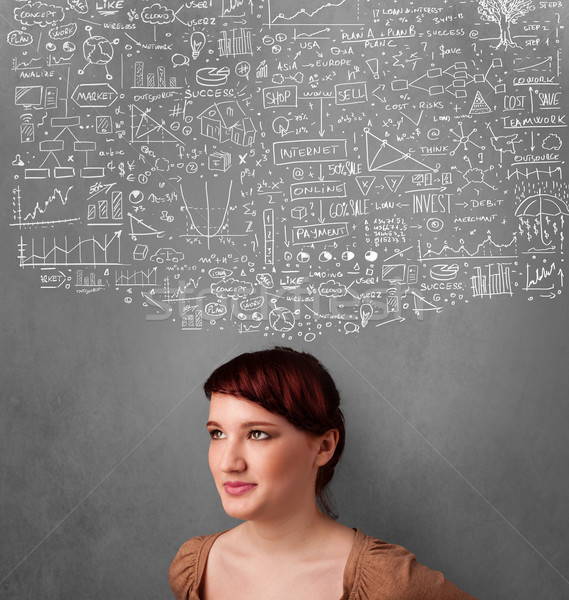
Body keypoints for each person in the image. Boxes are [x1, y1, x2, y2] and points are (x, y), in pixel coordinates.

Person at [169, 347, 477, 600]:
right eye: (217, 434)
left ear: (323, 447)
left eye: (258, 434)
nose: (228, 463)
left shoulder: (387, 582)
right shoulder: (193, 568)